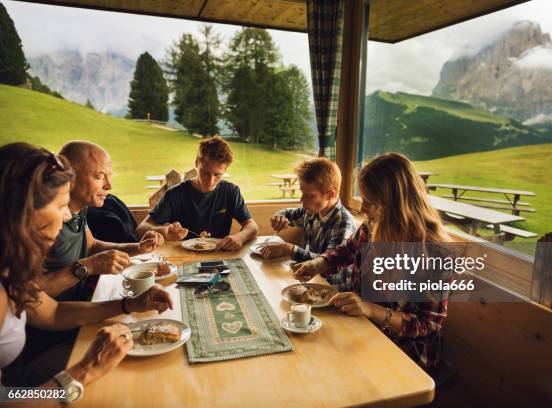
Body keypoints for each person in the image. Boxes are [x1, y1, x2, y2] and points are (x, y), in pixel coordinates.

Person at [0, 143, 173, 401]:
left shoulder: (11, 270)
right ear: (23, 211)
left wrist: (131, 304)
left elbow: (53, 312)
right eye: (60, 207)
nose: (63, 221)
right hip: (20, 382)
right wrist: (86, 370)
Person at [293, 153, 452, 370]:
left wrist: (369, 309)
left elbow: (428, 325)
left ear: (395, 204)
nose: (363, 208)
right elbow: (345, 251)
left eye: (369, 201)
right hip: (365, 327)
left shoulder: (434, 252)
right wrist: (319, 263)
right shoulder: (372, 226)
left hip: (406, 353)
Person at [38, 141, 164, 301]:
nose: (109, 185)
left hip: (87, 301)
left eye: (109, 177)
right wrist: (88, 266)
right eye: (99, 176)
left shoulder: (80, 209)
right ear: (69, 175)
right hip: (63, 316)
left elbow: (92, 246)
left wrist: (137, 247)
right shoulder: (44, 222)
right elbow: (28, 295)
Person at [136, 136, 257, 251]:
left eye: (217, 175)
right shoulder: (175, 194)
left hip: (218, 254)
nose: (210, 181)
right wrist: (165, 230)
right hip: (183, 255)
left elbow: (251, 226)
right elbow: (141, 229)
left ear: (225, 170)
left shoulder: (231, 191)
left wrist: (240, 237)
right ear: (196, 164)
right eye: (205, 172)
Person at [260, 158, 356, 291]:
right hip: (310, 282)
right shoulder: (312, 211)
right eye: (302, 193)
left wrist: (290, 250)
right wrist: (278, 218)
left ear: (330, 194)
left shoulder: (343, 223)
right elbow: (287, 213)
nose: (302, 200)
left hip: (332, 291)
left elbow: (329, 263)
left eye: (309, 195)